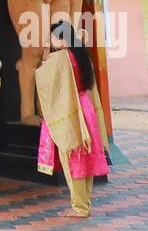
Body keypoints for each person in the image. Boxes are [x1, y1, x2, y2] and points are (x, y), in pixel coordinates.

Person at [35, 19, 109, 219]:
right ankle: (85, 203)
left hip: (70, 112)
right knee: (86, 158)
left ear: (60, 38)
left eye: (51, 36)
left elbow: (41, 77)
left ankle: (80, 207)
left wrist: (44, 55)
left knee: (72, 158)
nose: (49, 40)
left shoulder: (59, 59)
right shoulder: (82, 55)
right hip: (86, 109)